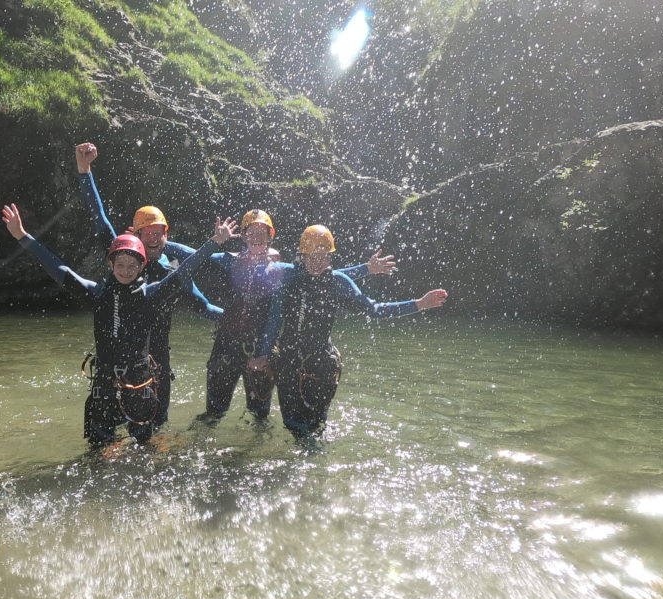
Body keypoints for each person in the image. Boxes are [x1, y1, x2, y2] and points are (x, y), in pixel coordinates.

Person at [0, 202, 234, 447]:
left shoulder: (151, 295)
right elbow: (60, 269)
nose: (126, 270)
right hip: (104, 385)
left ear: (142, 266)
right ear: (110, 265)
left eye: (132, 265)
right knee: (98, 452)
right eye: (120, 264)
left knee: (144, 451)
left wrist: (213, 244)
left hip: (141, 385)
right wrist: (23, 237)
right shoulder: (97, 294)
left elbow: (183, 272)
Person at [193, 211, 398, 425]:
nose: (256, 237)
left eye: (262, 232)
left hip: (262, 349)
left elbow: (321, 275)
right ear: (242, 235)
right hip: (227, 346)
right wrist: (215, 242)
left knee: (260, 418)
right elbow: (190, 262)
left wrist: (365, 269)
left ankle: (256, 454)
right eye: (251, 231)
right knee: (213, 414)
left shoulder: (280, 270)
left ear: (271, 236)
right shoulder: (228, 261)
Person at [74, 143, 222, 429]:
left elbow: (202, 305)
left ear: (166, 235)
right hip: (117, 358)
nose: (153, 238)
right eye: (147, 232)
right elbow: (99, 218)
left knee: (154, 428)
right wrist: (85, 170)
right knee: (108, 431)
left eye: (159, 232)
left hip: (156, 360)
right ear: (135, 233)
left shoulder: (172, 272)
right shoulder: (123, 257)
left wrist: (237, 319)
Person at [256, 224, 448, 439]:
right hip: (289, 360)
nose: (318, 262)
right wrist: (263, 352)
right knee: (292, 424)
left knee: (316, 425)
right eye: (312, 257)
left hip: (321, 362)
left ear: (330, 256)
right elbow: (273, 318)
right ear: (302, 255)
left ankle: (316, 462)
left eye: (324, 256)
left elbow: (373, 309)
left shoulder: (337, 281)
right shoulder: (286, 276)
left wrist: (418, 304)